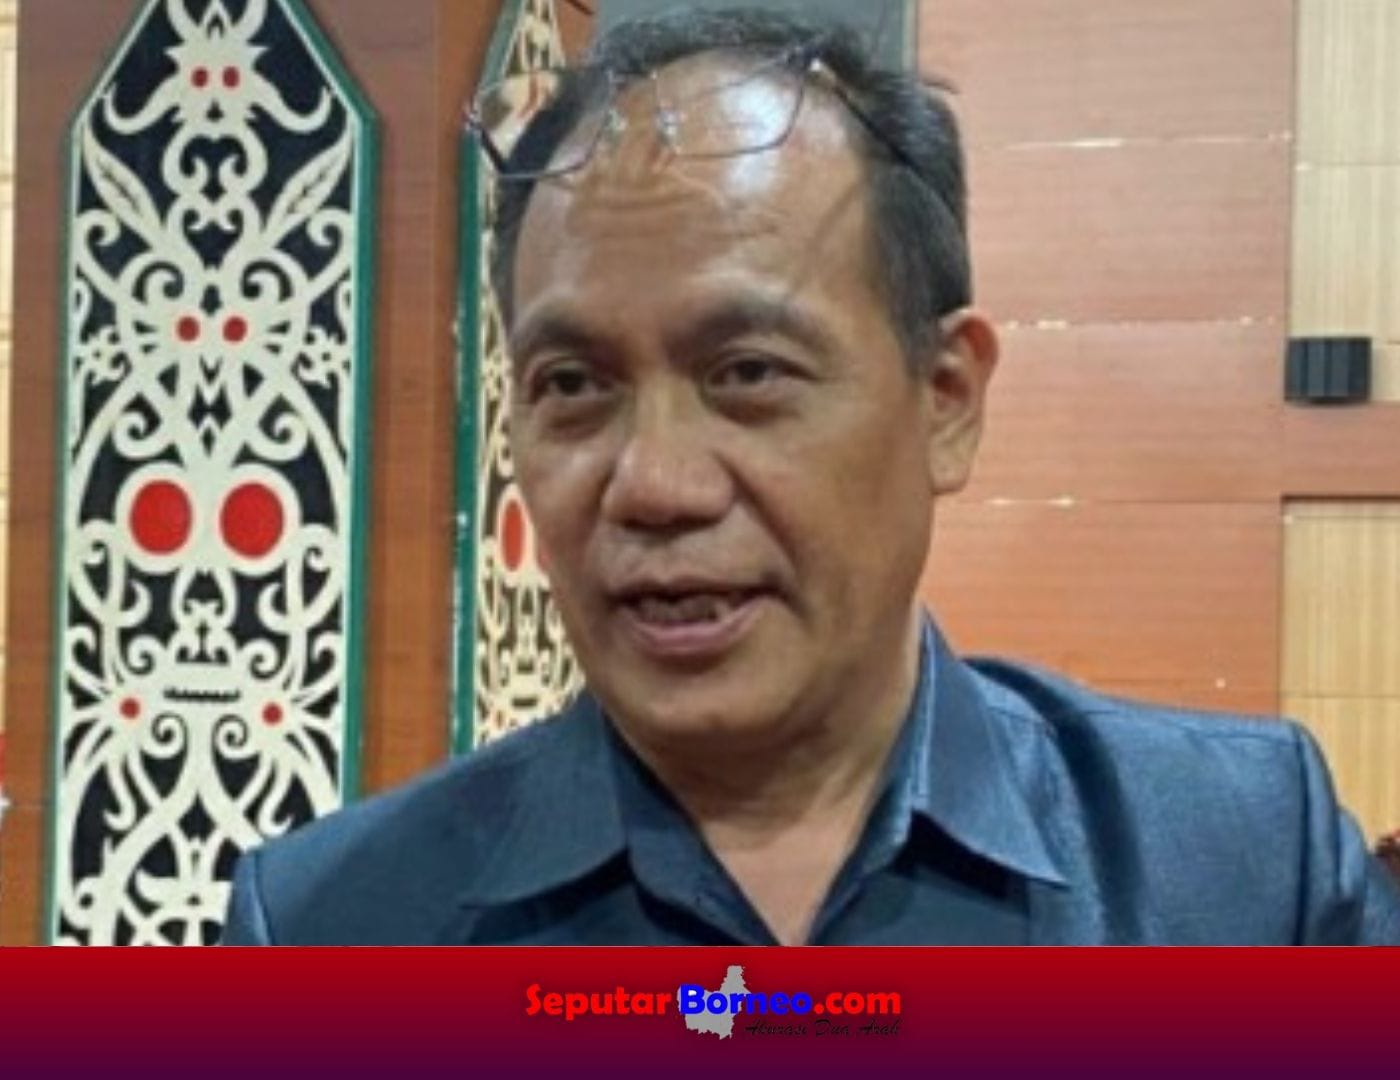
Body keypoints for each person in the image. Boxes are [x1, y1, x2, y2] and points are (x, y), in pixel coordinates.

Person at [221, 7, 1400, 945]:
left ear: (945, 400)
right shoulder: (333, 931)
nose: (655, 485)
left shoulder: (1242, 873)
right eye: (573, 384)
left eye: (746, 372)